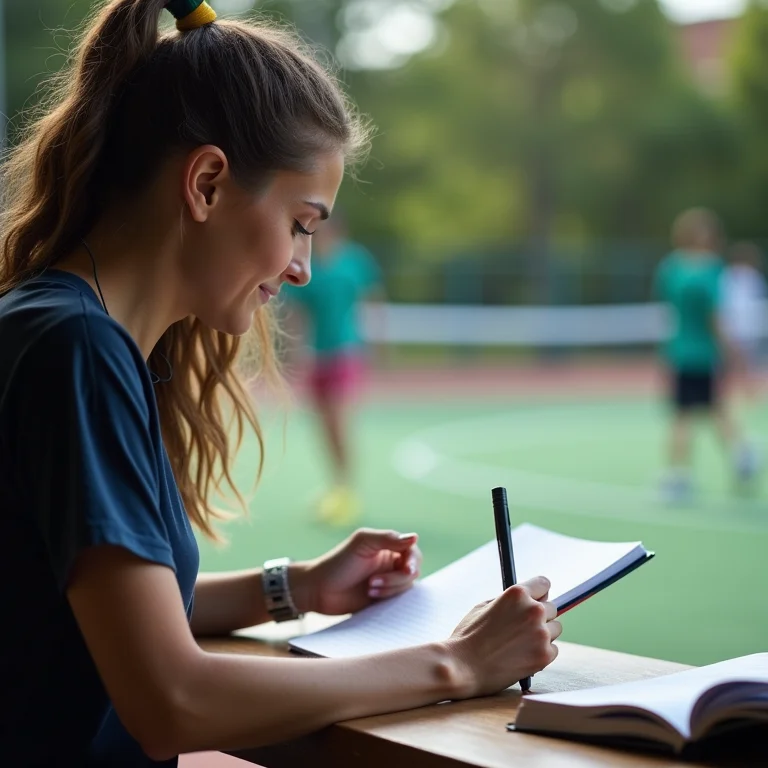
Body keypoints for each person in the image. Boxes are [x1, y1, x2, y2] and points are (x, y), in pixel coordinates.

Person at [0, 2, 561, 766]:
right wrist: (458, 663)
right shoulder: (77, 350)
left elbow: (93, 611)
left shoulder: (62, 329)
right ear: (205, 183)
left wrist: (293, 586)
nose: (302, 265)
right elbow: (172, 700)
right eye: (302, 223)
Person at [283, 213, 383, 526]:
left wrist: (376, 341)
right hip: (317, 356)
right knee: (324, 426)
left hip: (345, 353)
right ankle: (336, 486)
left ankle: (345, 489)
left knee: (339, 421)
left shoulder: (354, 261)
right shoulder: (307, 264)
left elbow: (371, 301)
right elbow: (297, 314)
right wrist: (295, 353)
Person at [653, 208, 758, 504]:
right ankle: (740, 456)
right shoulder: (711, 269)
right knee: (710, 408)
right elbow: (716, 319)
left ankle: (679, 475)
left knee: (687, 413)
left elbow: (671, 312)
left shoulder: (670, 267)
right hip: (701, 354)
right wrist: (734, 354)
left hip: (681, 353)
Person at [721, 240, 767, 404]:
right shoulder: (745, 276)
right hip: (739, 327)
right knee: (741, 361)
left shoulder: (727, 275)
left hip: (740, 326)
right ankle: (745, 391)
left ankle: (744, 391)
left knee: (740, 362)